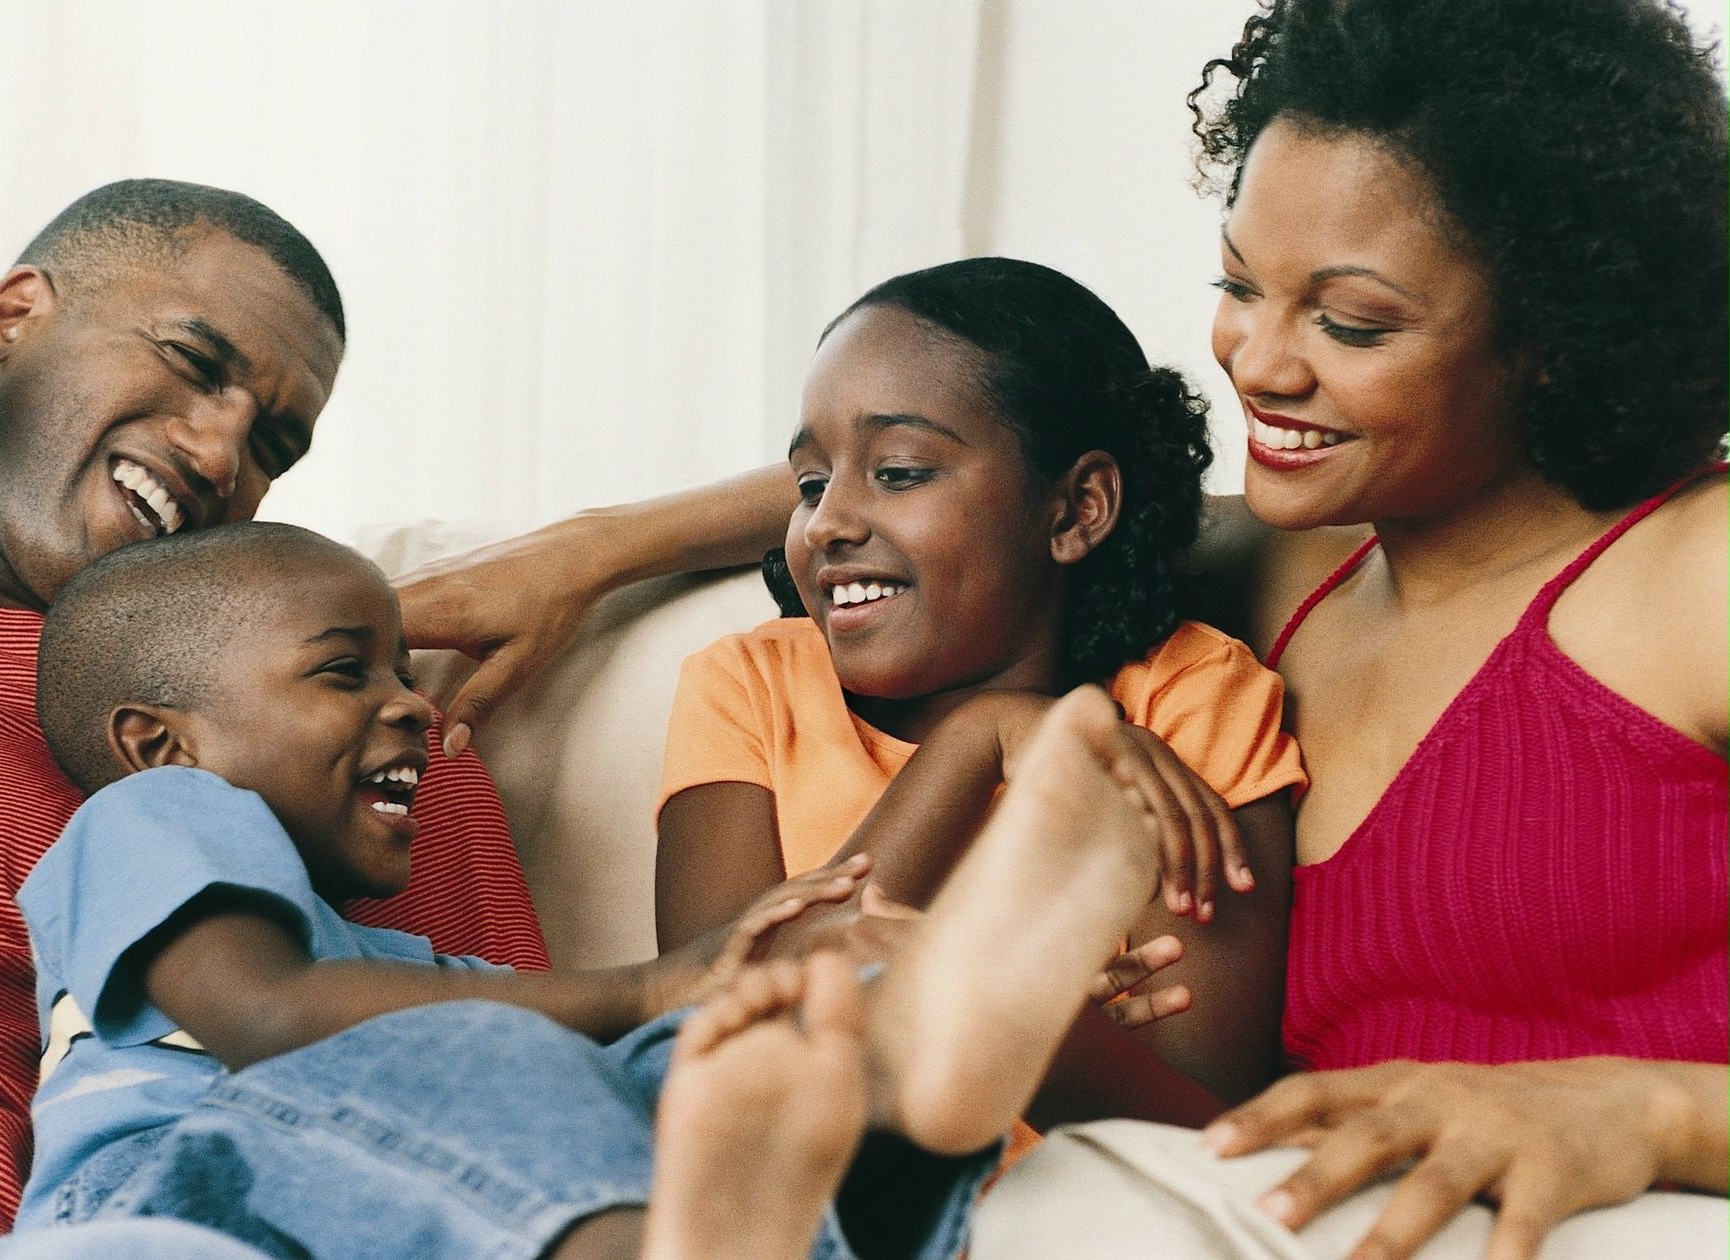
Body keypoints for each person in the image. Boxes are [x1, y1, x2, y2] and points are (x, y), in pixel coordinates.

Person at [400, 2, 1727, 1254]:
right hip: (1279, 1203)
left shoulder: (1694, 572)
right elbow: (973, 471)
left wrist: (1643, 1109)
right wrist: (587, 551)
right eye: (1238, 286)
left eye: (1350, 321)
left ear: (1557, 330)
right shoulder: (1297, 564)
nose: (1259, 363)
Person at [9, 519, 1193, 1260]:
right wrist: (642, 988)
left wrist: (865, 958)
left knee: (746, 1043)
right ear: (159, 743)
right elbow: (269, 1021)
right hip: (175, 1194)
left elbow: (716, 975)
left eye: (400, 669)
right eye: (341, 672)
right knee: (502, 1055)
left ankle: (908, 1079)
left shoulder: (434, 985)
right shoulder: (154, 815)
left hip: (420, 1208)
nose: (413, 703)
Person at [0, 179, 547, 1252]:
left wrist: (608, 545)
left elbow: (514, 1103)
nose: (218, 457)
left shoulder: (319, 734)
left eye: (272, 447)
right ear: (13, 316)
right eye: (194, 365)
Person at [653, 258, 1306, 1133]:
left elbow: (1201, 1116)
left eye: (900, 471)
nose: (828, 522)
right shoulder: (750, 686)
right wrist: (979, 738)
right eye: (812, 484)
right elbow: (723, 1040)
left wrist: (1000, 1022)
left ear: (1076, 509)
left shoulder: (1191, 704)